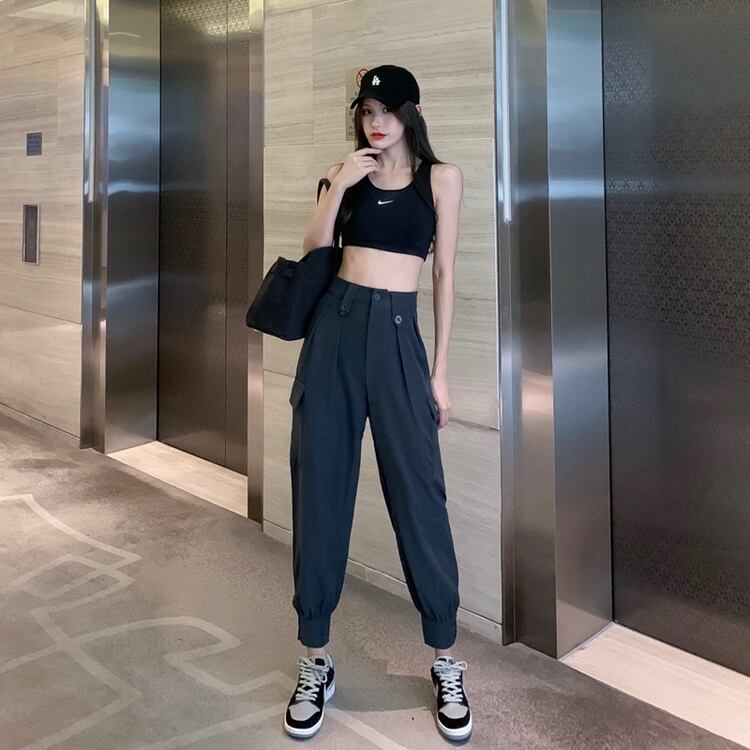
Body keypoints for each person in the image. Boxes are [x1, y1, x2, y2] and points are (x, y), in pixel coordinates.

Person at [283, 64, 471, 742]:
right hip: (333, 333)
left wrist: (439, 373)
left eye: (387, 110)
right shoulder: (346, 177)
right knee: (319, 488)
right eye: (366, 110)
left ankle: (445, 658)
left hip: (397, 339)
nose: (376, 121)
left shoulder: (440, 179)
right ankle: (315, 659)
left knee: (420, 494)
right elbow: (313, 252)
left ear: (411, 112)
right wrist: (339, 184)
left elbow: (444, 272)